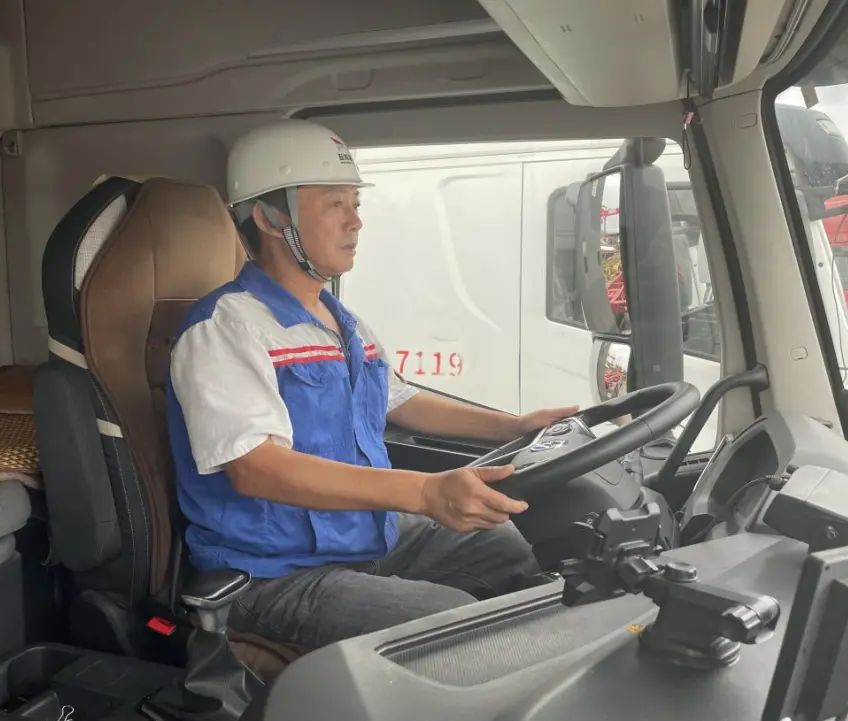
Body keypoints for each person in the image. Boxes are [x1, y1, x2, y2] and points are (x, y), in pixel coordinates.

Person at [166, 119, 578, 650]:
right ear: (269, 218)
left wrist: (515, 425)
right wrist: (424, 491)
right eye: (335, 204)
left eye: (356, 203)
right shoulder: (225, 328)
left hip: (360, 534)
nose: (356, 221)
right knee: (454, 627)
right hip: (273, 572)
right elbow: (254, 468)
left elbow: (398, 400)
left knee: (501, 548)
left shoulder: (340, 320)